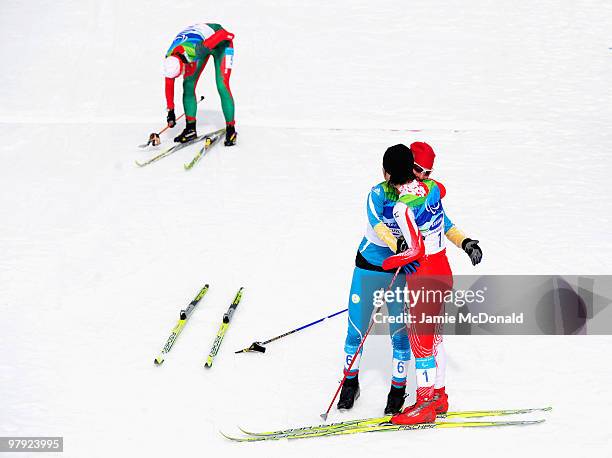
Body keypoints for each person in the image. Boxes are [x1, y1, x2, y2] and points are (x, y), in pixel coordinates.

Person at [381, 142, 482, 425]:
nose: (424, 175)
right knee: (434, 337)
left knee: (421, 341)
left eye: (428, 171)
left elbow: (420, 244)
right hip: (441, 271)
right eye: (418, 170)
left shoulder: (407, 202)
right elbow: (438, 213)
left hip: (425, 272)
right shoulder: (432, 189)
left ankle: (424, 405)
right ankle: (439, 396)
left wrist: (392, 260)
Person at [337, 144, 420, 415]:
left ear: (386, 172)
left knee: (399, 333)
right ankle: (350, 383)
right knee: (356, 330)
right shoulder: (376, 193)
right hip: (370, 267)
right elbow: (377, 224)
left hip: (400, 272)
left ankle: (397, 389)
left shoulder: (418, 193)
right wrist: (398, 245)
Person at [163, 23, 237, 145]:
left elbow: (226, 35)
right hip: (198, 43)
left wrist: (218, 39)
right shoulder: (169, 60)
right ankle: (190, 129)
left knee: (222, 85)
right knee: (188, 85)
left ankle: (231, 129)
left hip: (220, 42)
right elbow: (169, 84)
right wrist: (170, 111)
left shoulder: (197, 50)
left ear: (182, 65)